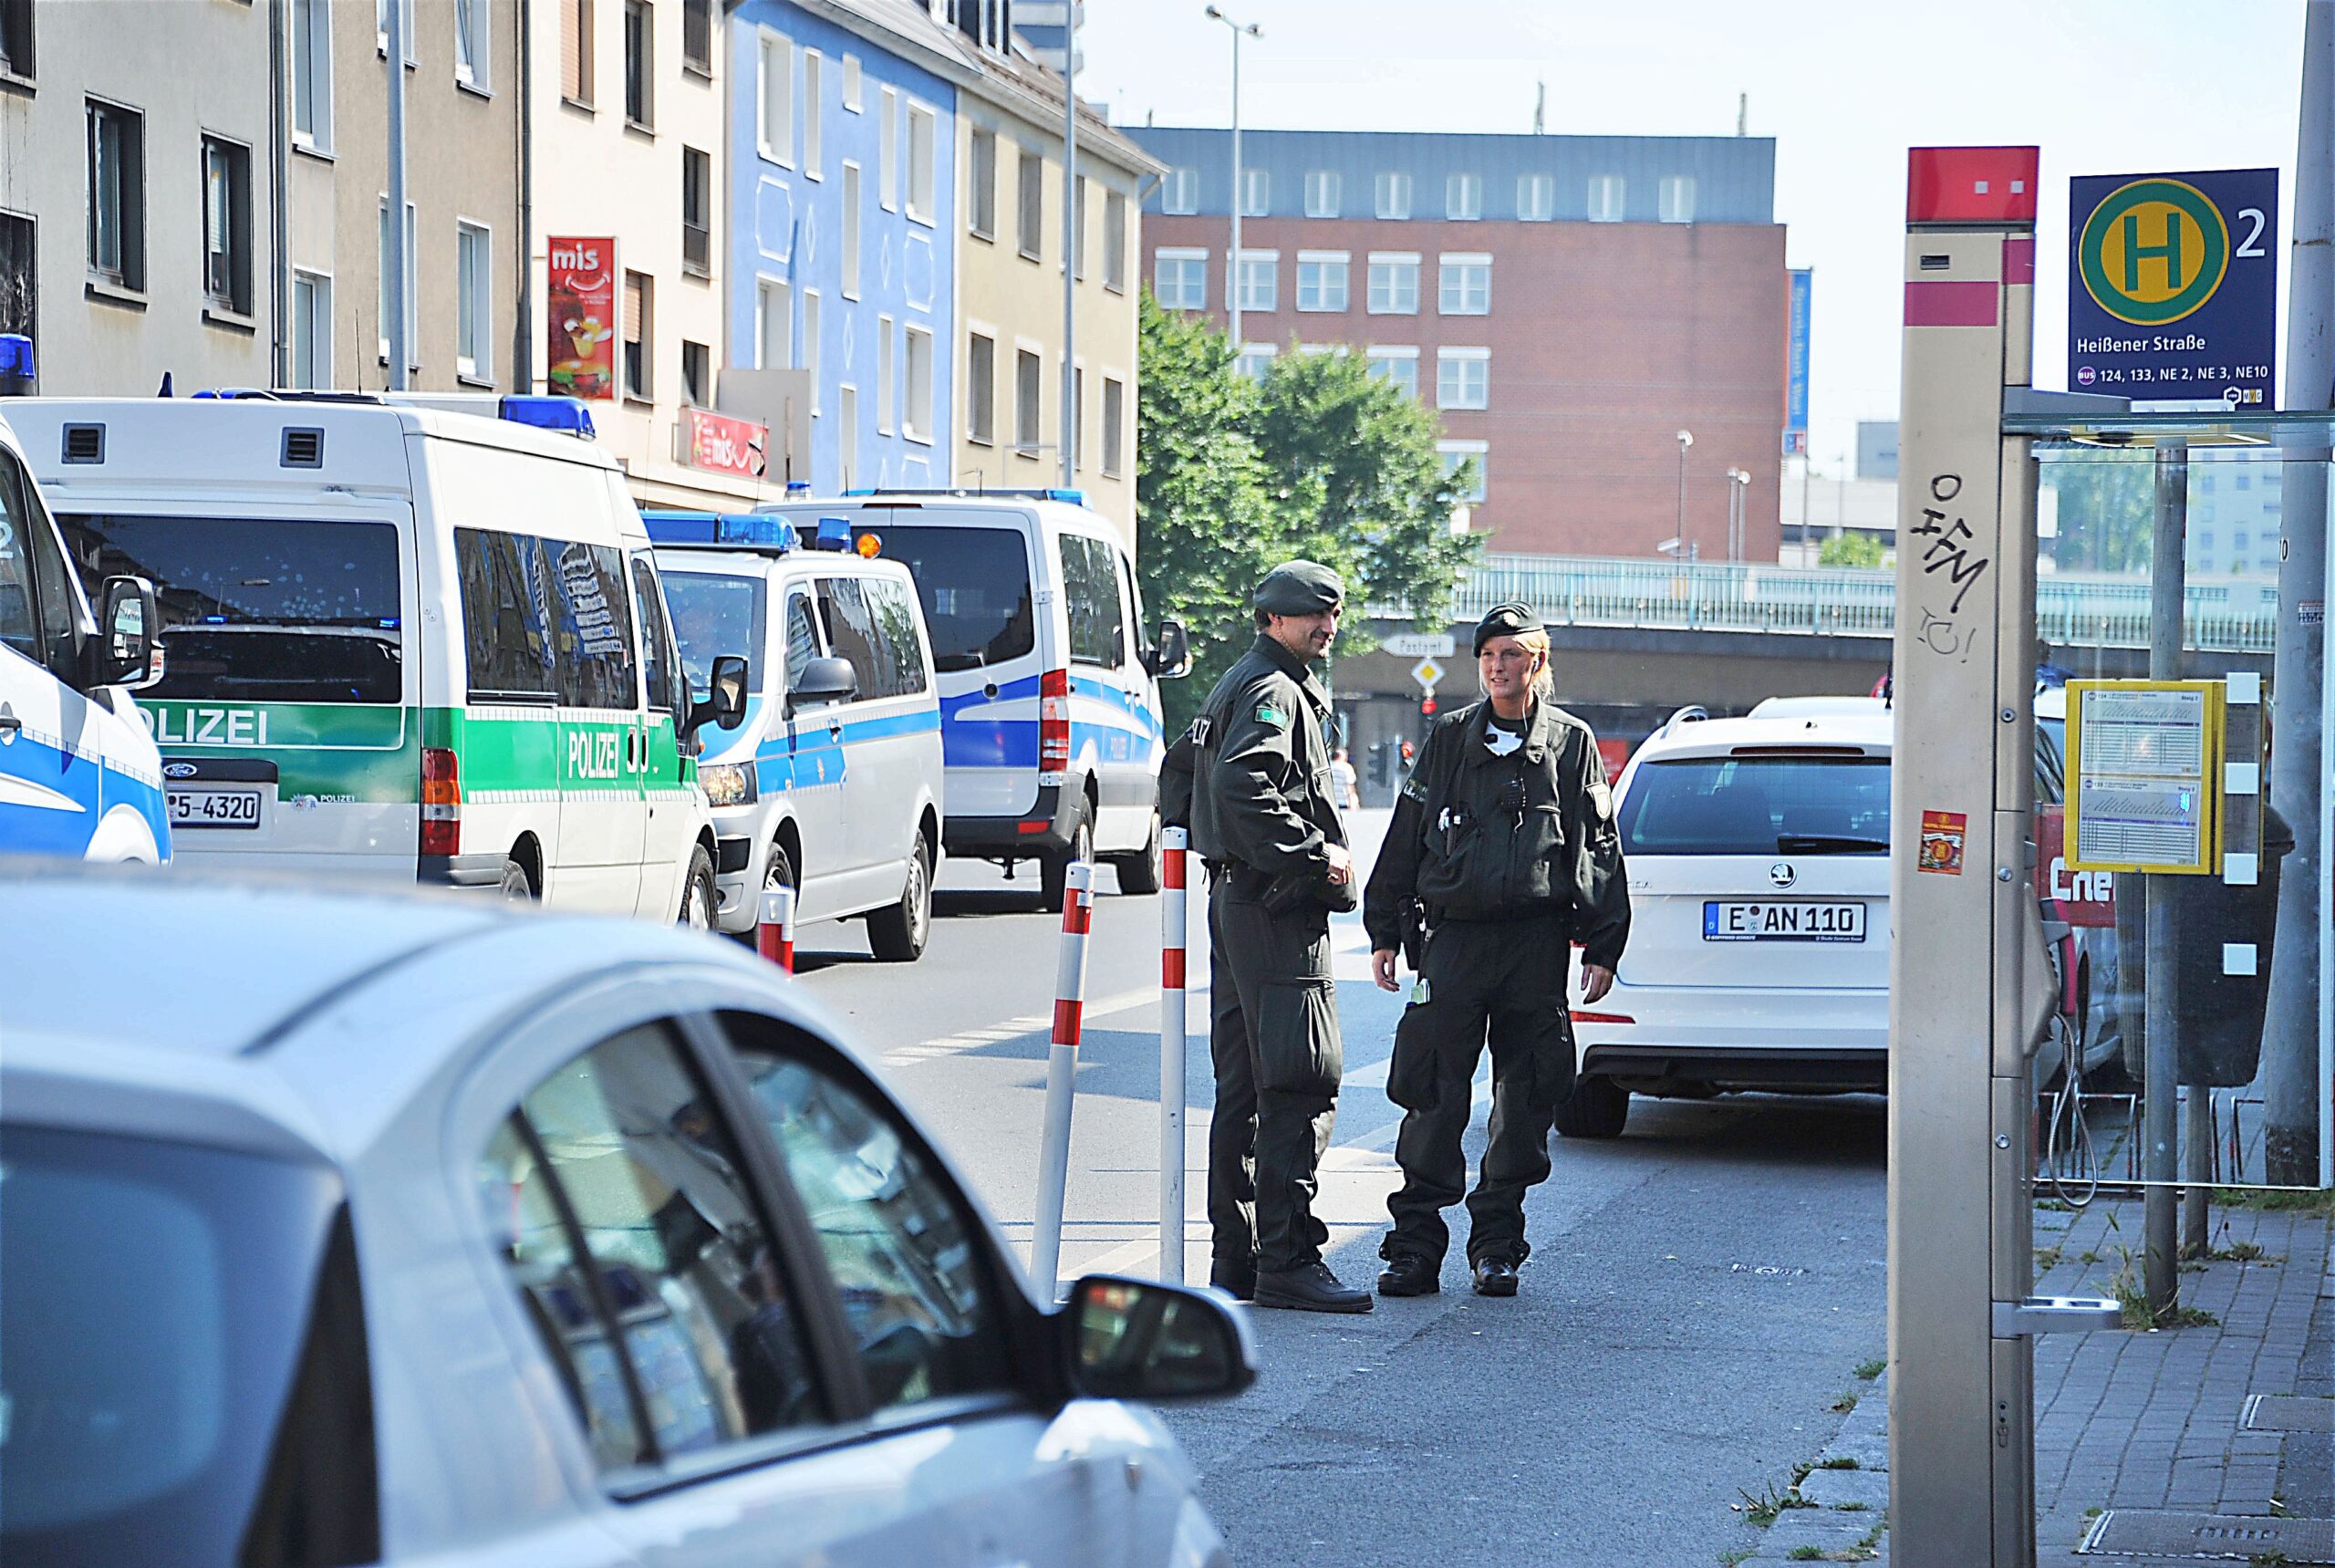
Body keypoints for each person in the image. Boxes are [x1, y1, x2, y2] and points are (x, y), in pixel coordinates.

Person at [1363, 602, 1630, 1298]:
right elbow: (1407, 831)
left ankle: (1498, 1246)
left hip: (1534, 945)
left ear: (1536, 662)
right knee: (1432, 1094)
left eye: (1510, 654)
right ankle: (1414, 1248)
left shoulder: (1571, 744)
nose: (1496, 666)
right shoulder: (1450, 737)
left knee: (1525, 1100)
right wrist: (1385, 929)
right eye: (1487, 656)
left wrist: (1603, 941)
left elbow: (1597, 847)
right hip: (1453, 941)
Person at [1163, 560, 1372, 1314]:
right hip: (1275, 912)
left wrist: (1217, 853)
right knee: (1298, 1076)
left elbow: (1180, 769)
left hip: (1240, 903)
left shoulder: (1239, 681)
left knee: (1247, 1086)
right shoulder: (1274, 688)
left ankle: (1239, 1258)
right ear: (1273, 619)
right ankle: (1285, 1256)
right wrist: (1318, 858)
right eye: (1312, 615)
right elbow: (1238, 783)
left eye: (1331, 614)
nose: (1327, 625)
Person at [1328, 746, 1362, 813]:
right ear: (1341, 757)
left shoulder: (1328, 766)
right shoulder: (1346, 767)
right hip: (1343, 802)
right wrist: (1352, 803)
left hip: (1330, 802)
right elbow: (1350, 786)